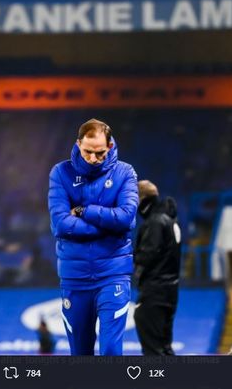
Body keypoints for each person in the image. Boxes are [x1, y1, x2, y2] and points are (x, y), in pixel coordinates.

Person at [47, 119, 138, 356]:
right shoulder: (60, 172)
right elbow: (61, 224)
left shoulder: (125, 173)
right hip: (74, 278)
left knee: (110, 350)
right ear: (78, 144)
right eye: (87, 151)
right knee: (80, 352)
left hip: (113, 274)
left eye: (99, 153)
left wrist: (84, 211)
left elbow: (126, 218)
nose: (93, 158)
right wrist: (108, 225)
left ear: (109, 146)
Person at [133, 180, 181, 355]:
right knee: (164, 346)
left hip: (155, 291)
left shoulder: (155, 222)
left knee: (153, 347)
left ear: (141, 199)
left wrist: (128, 257)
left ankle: (156, 380)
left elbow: (148, 255)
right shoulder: (170, 220)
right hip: (170, 291)